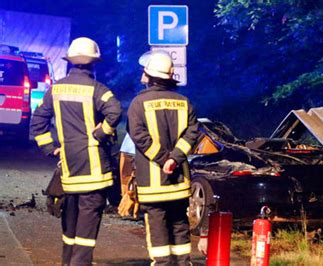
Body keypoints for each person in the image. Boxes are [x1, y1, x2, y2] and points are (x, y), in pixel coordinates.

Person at [31, 37, 122, 265]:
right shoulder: (98, 89)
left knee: (69, 224)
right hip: (94, 172)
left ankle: (67, 262)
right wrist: (101, 134)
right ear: (94, 63)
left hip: (69, 169)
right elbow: (115, 112)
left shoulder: (56, 89)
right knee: (87, 228)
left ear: (70, 61)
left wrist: (51, 149)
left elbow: (38, 122)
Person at [127, 51, 199, 265]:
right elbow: (192, 133)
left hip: (153, 184)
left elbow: (139, 137)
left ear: (149, 76)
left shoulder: (138, 103)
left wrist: (162, 159)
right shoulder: (185, 102)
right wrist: (175, 158)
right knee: (180, 226)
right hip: (179, 183)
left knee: (158, 231)